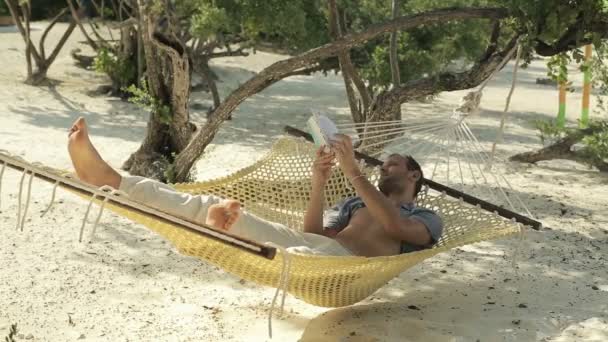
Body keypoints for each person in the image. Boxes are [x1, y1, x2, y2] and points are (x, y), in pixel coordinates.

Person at [67, 117, 442, 257]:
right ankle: (112, 180)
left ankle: (231, 233)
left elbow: (395, 228)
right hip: (322, 246)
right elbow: (312, 233)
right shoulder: (353, 204)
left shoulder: (424, 216)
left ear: (413, 177)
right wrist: (319, 182)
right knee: (211, 204)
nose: (386, 165)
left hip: (344, 266)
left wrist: (354, 173)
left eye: (395, 163)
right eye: (385, 163)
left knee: (296, 259)